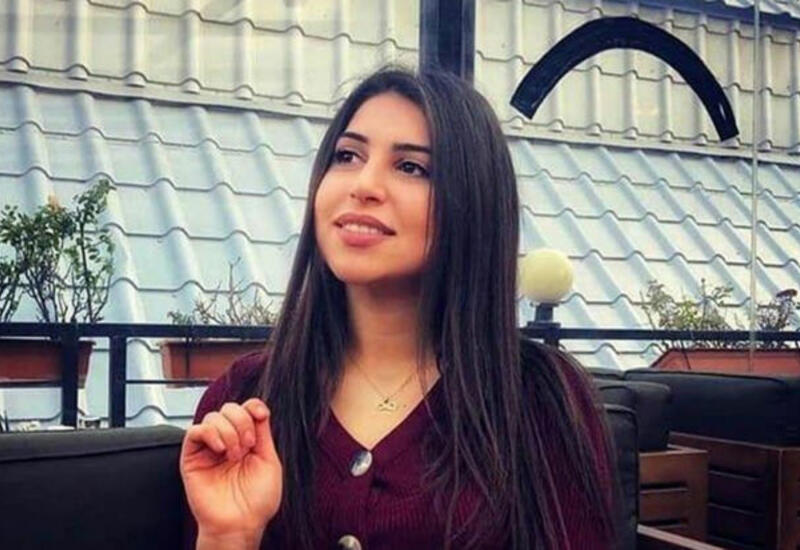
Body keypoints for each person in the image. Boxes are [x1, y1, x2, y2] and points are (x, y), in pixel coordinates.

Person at [179, 67, 618, 550]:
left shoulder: (539, 399)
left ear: (472, 201)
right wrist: (228, 534)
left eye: (411, 167)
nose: (363, 184)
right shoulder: (244, 400)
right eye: (347, 156)